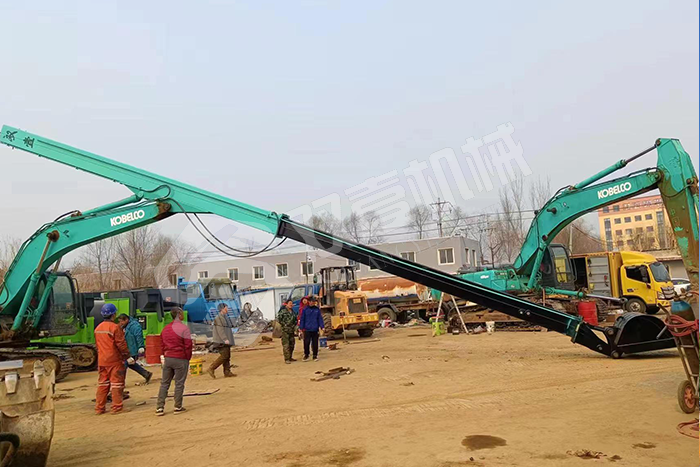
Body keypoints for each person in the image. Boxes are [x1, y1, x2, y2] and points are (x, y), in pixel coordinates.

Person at [156, 307, 192, 416]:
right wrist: (187, 358)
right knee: (179, 383)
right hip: (180, 358)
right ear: (179, 315)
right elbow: (188, 345)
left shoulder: (165, 329)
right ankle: (177, 406)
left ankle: (159, 407)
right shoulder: (184, 328)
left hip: (168, 358)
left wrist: (163, 356)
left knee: (164, 383)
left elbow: (161, 344)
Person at [94, 303, 130, 415]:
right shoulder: (115, 327)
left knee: (103, 384)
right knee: (117, 384)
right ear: (113, 314)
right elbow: (121, 344)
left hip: (102, 360)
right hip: (114, 360)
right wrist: (127, 356)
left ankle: (99, 408)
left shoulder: (98, 328)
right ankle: (117, 407)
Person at [118, 314, 153, 384]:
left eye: (121, 321)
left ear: (126, 320)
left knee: (124, 365)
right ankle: (146, 374)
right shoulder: (125, 326)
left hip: (133, 350)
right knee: (131, 364)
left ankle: (120, 382)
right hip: (129, 349)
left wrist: (141, 346)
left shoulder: (135, 326)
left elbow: (139, 336)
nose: (120, 323)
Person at [207, 303, 236, 379]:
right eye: (226, 308)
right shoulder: (218, 318)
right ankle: (212, 368)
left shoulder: (224, 317)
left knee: (227, 356)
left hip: (225, 340)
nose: (227, 309)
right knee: (224, 356)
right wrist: (224, 339)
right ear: (222, 309)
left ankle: (227, 372)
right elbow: (220, 330)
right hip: (221, 341)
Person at [298, 296, 324, 361]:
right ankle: (306, 355)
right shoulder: (305, 310)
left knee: (315, 343)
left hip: (315, 329)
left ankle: (315, 356)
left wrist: (322, 326)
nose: (312, 303)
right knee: (306, 343)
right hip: (307, 329)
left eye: (313, 302)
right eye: (311, 301)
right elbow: (302, 319)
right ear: (309, 302)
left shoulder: (317, 310)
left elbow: (320, 318)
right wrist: (301, 328)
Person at [277, 300, 297, 364]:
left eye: (291, 303)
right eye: (290, 303)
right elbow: (279, 319)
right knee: (286, 345)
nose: (291, 304)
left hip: (291, 330)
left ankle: (290, 357)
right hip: (285, 331)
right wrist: (284, 325)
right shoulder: (283, 312)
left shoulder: (293, 312)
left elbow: (295, 320)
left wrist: (295, 326)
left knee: (292, 344)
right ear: (286, 304)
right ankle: (287, 359)